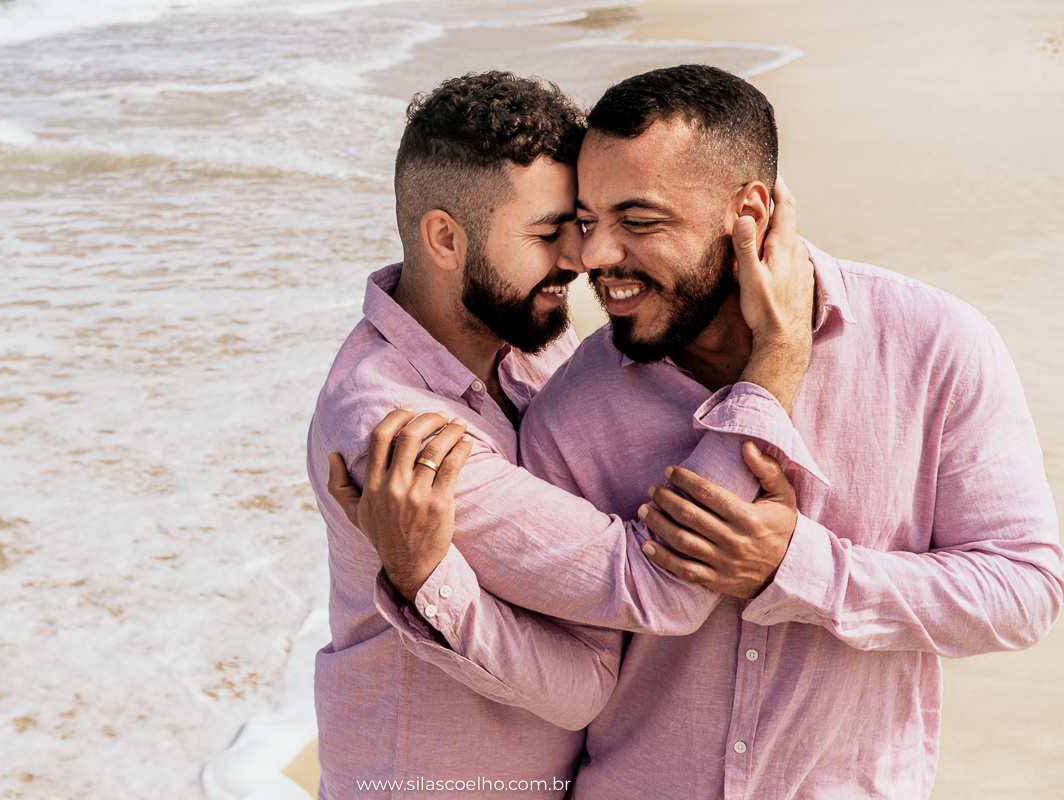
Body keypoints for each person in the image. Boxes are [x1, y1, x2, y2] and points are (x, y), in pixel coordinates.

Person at [340, 65, 1064, 798]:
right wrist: (423, 579)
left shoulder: (934, 345)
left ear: (748, 209)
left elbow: (1026, 591)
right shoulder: (566, 408)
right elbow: (585, 672)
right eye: (586, 221)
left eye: (639, 222)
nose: (594, 258)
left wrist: (803, 567)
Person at [307, 70, 817, 798]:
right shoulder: (398, 430)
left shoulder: (530, 345)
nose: (580, 260)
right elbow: (656, 589)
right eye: (550, 234)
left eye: (578, 224)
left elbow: (584, 680)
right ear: (445, 238)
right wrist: (776, 362)